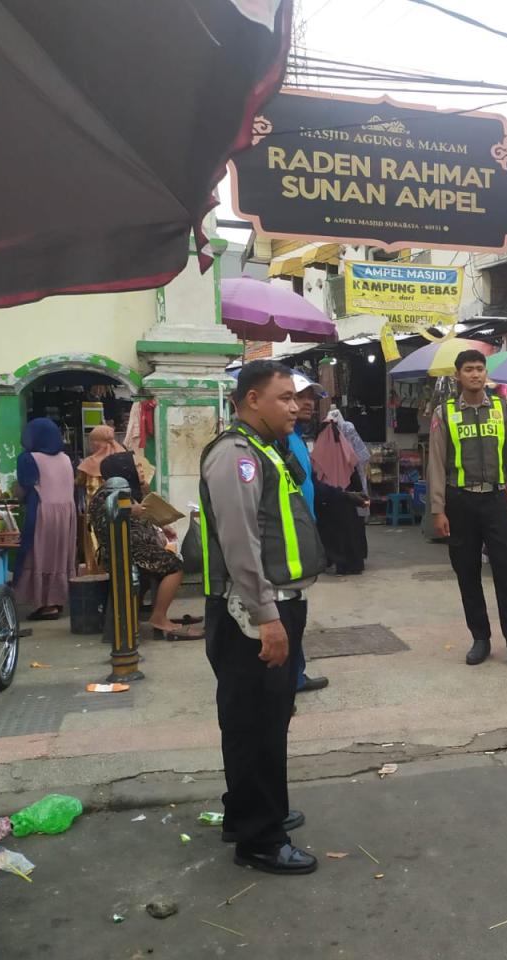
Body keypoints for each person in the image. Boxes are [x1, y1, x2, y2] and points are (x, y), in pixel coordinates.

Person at [200, 359, 326, 875]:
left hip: (276, 604)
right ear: (252, 400)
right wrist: (264, 616)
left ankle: (256, 809)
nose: (296, 407)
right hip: (252, 612)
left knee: (268, 718)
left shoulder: (266, 449)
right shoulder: (237, 456)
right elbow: (241, 544)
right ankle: (259, 839)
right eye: (285, 398)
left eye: (296, 398)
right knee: (255, 724)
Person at [427, 349, 507, 674]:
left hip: (496, 501)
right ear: (457, 375)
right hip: (459, 503)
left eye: (479, 368)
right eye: (468, 369)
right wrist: (438, 509)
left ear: (485, 373)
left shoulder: (503, 409)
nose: (475, 374)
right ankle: (480, 639)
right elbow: (436, 463)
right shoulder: (444, 413)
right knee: (467, 574)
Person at [286, 376, 371, 693]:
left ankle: (295, 675)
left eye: (311, 397)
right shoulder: (278, 442)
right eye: (299, 396)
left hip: (302, 537)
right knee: (286, 612)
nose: (307, 403)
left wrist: (345, 496)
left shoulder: (295, 441)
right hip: (284, 541)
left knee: (296, 610)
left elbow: (312, 486)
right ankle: (286, 682)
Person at [88, 452, 201, 640]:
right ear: (123, 469)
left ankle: (139, 612)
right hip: (124, 553)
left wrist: (162, 525)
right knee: (175, 566)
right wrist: (129, 510)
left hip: (135, 550)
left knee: (168, 561)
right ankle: (158, 617)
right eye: (137, 466)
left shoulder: (128, 492)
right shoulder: (108, 495)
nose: (141, 470)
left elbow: (140, 515)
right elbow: (110, 520)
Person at [11, 420, 76, 620]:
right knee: (59, 555)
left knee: (38, 555)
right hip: (66, 514)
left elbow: (25, 488)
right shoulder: (66, 458)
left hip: (42, 512)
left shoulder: (28, 459)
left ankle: (45, 605)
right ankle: (56, 600)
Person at [311, 410, 369, 576]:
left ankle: (333, 562)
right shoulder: (345, 448)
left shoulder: (319, 450)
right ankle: (352, 564)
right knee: (350, 532)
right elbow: (354, 467)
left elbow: (315, 474)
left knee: (331, 533)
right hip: (348, 499)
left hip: (328, 500)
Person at [76, 425, 126, 574]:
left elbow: (79, 481)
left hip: (95, 511)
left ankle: (97, 575)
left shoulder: (90, 463)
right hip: (119, 509)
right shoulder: (123, 459)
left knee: (95, 544)